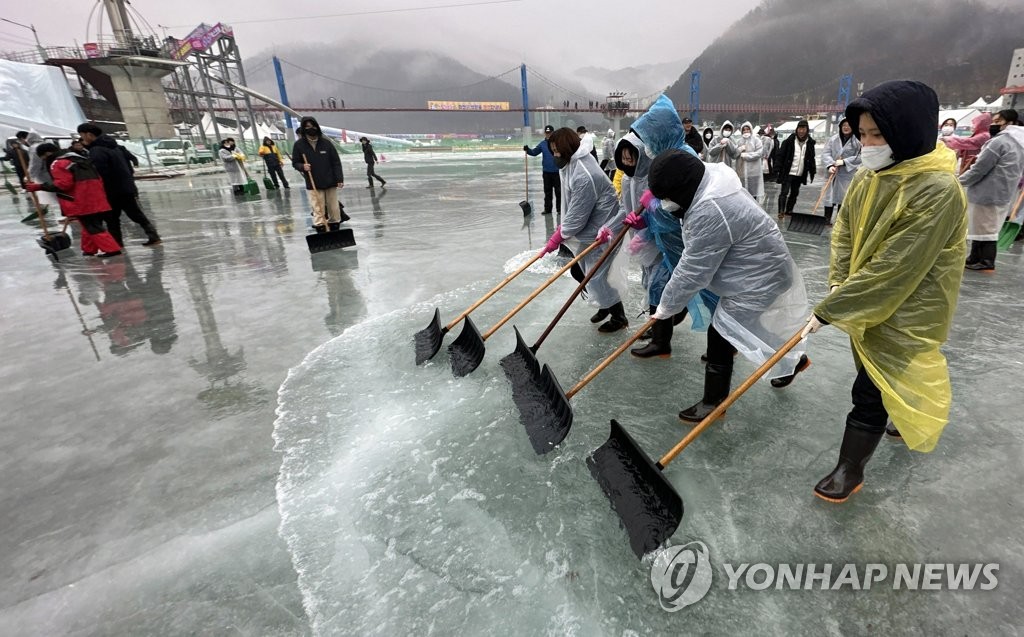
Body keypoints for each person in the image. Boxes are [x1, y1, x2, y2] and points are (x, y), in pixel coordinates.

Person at [806, 80, 967, 503]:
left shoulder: (937, 189)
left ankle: (850, 468)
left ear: (907, 130)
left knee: (871, 387)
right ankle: (894, 415)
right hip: (864, 296)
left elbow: (896, 269)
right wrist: (840, 282)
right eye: (862, 134)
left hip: (909, 307)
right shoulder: (871, 174)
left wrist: (831, 308)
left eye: (877, 134)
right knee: (876, 373)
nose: (867, 144)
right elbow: (843, 232)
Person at [645, 148, 809, 422]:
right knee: (746, 327)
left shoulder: (711, 209)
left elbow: (693, 270)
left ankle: (714, 402)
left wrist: (665, 308)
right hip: (758, 268)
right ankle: (793, 360)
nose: (667, 205)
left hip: (761, 276)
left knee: (721, 333)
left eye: (668, 199)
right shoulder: (707, 182)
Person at [618, 94, 719, 358]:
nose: (646, 145)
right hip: (672, 241)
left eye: (648, 138)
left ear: (660, 134)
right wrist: (643, 222)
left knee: (710, 294)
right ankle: (662, 339)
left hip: (691, 240)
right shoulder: (665, 157)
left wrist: (651, 207)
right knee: (662, 286)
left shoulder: (682, 158)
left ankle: (724, 346)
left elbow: (678, 208)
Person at [539, 127, 628, 332]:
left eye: (557, 150)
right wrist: (562, 230)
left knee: (594, 276)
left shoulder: (583, 175)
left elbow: (577, 218)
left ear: (567, 147)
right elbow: (573, 207)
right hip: (591, 228)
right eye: (552, 151)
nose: (555, 155)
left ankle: (619, 317)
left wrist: (557, 237)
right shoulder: (572, 164)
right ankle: (606, 304)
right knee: (581, 272)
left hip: (604, 230)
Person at [26, 143, 122, 257]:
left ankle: (112, 249)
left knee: (92, 226)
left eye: (43, 158)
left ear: (47, 154)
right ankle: (89, 250)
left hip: (80, 200)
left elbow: (63, 184)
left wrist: (39, 186)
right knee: (88, 225)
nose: (44, 161)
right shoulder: (81, 159)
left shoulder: (58, 163)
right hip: (96, 197)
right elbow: (99, 179)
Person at [958, 109, 1024, 272]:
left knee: (985, 228)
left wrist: (959, 181)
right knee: (984, 225)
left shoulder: (1000, 142)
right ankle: (975, 257)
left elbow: (980, 168)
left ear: (1011, 123)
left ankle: (987, 260)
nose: (994, 124)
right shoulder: (1019, 141)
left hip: (988, 191)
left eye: (998, 121)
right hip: (1003, 191)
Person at [77, 123, 161, 247]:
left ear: (89, 134)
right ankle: (153, 235)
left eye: (82, 135)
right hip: (125, 186)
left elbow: (100, 172)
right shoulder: (113, 146)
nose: (82, 139)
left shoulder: (97, 150)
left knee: (112, 218)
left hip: (111, 189)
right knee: (135, 213)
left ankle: (117, 243)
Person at [292, 116, 345, 233]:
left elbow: (336, 162)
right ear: (303, 129)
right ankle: (320, 228)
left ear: (317, 127)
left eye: (313, 126)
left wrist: (339, 179)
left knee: (333, 207)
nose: (311, 129)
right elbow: (295, 162)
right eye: (307, 127)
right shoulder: (299, 145)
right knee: (318, 207)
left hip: (330, 180)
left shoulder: (326, 144)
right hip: (313, 181)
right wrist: (302, 166)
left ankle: (335, 226)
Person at [821, 118, 863, 224]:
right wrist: (830, 165)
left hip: (846, 175)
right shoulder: (833, 139)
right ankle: (827, 219)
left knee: (843, 198)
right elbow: (826, 153)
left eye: (848, 125)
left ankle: (840, 221)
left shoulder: (858, 141)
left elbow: (861, 156)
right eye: (844, 125)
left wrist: (844, 162)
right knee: (829, 197)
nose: (846, 127)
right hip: (832, 172)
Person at [775, 119, 816, 219]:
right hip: (788, 172)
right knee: (784, 192)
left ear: (807, 130)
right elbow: (780, 155)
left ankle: (789, 210)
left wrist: (812, 171)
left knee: (794, 193)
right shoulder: (788, 142)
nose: (801, 131)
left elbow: (811, 158)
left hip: (800, 173)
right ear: (796, 129)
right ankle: (781, 211)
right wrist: (777, 168)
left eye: (804, 129)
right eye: (800, 128)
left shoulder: (810, 143)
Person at [524, 124, 561, 214]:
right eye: (547, 133)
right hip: (546, 172)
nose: (548, 134)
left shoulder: (559, 143)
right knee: (547, 192)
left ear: (553, 133)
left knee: (559, 192)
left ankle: (560, 209)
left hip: (558, 172)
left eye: (550, 133)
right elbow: (534, 152)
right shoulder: (542, 144)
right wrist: (528, 150)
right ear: (545, 133)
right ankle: (547, 209)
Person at [734, 122, 765, 203]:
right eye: (744, 130)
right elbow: (735, 154)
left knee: (753, 194)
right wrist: (739, 149)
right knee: (743, 195)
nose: (746, 131)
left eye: (747, 129)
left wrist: (746, 155)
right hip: (742, 172)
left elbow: (759, 153)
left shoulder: (756, 140)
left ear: (751, 130)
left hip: (753, 172)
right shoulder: (739, 141)